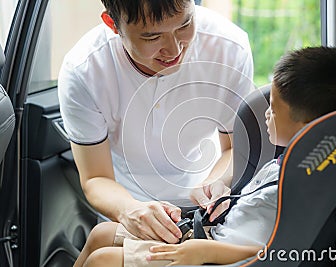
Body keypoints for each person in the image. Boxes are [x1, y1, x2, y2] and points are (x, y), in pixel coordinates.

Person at [72, 46, 336, 266]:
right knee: (102, 234)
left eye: (274, 109)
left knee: (104, 262)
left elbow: (284, 251)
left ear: (311, 128)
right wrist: (220, 196)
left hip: (223, 259)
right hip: (212, 241)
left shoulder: (308, 187)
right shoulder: (289, 162)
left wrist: (206, 252)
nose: (266, 114)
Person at [58, 0, 255, 245]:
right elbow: (96, 178)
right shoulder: (84, 71)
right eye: (152, 37)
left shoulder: (230, 48)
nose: (173, 50)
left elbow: (235, 148)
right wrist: (130, 211)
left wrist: (216, 183)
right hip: (126, 207)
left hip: (204, 206)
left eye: (184, 25)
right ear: (112, 24)